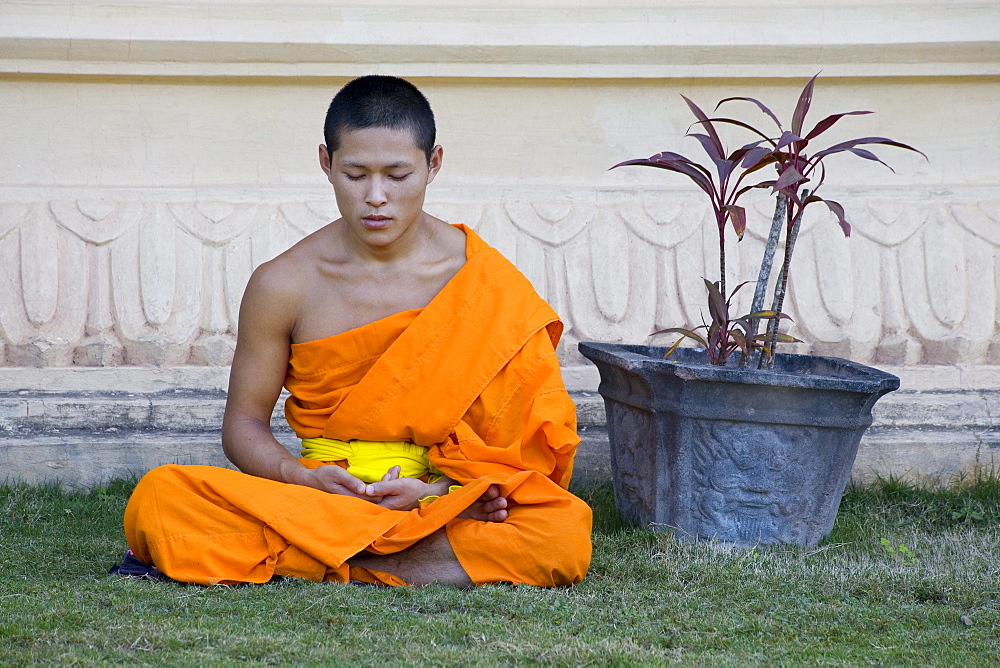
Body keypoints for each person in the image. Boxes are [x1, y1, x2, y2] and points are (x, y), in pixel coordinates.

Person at [117, 75, 592, 587]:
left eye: (397, 175)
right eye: (356, 174)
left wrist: (437, 492)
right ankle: (400, 560)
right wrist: (302, 478)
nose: (376, 197)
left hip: (440, 494)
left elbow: (525, 448)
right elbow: (243, 426)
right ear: (326, 163)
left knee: (558, 532)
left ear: (433, 164)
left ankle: (328, 557)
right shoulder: (283, 284)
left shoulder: (482, 281)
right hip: (321, 496)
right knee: (163, 497)